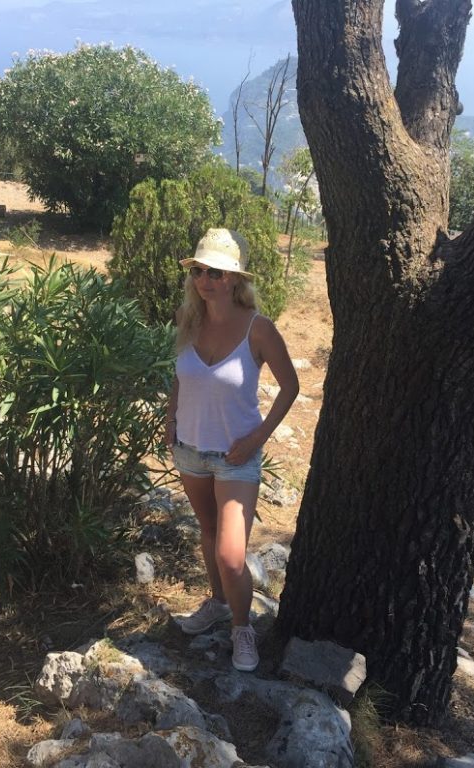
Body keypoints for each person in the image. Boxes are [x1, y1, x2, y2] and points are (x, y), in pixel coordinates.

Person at [168, 228, 299, 672]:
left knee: (230, 553)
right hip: (190, 449)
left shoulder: (258, 329)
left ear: (235, 279)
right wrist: (170, 420)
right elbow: (180, 377)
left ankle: (242, 628)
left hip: (236, 456)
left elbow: (290, 387)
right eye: (199, 271)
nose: (205, 280)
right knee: (208, 533)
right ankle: (219, 603)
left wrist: (258, 438)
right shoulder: (187, 320)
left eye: (216, 273)